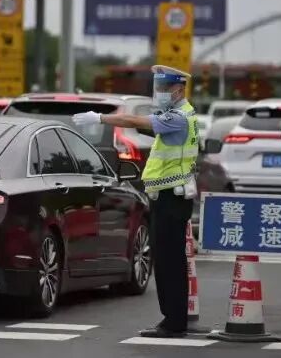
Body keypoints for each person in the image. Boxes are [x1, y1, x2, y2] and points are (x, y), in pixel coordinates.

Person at [73, 64, 199, 338]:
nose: (159, 92)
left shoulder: (178, 118)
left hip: (171, 198)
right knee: (169, 261)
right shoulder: (181, 114)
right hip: (170, 196)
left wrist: (100, 118)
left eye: (164, 88)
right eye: (158, 87)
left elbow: (133, 122)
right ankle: (175, 319)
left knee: (168, 262)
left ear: (179, 89)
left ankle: (173, 322)